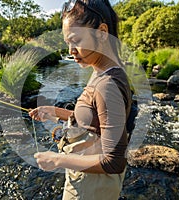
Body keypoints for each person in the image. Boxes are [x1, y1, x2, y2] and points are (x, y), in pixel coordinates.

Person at [29, 0, 133, 199]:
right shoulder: (102, 71)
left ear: (102, 32)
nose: (70, 51)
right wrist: (55, 112)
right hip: (89, 182)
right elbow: (95, 121)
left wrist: (58, 160)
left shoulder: (107, 85)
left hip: (90, 189)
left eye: (76, 40)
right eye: (68, 43)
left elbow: (114, 161)